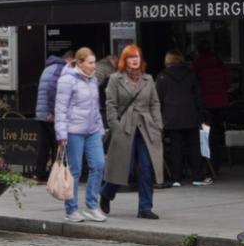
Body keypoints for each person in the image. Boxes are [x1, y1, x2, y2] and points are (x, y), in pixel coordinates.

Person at [104, 45, 164, 221]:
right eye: (131, 57)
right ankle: (106, 193)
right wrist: (115, 127)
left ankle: (145, 207)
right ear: (125, 60)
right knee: (125, 167)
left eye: (137, 56)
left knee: (146, 167)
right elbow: (111, 105)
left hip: (146, 127)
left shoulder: (148, 79)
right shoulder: (115, 79)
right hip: (125, 127)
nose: (135, 59)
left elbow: (155, 103)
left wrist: (158, 124)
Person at [52, 48, 106, 223]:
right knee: (74, 170)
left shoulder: (93, 80)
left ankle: (92, 205)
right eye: (90, 62)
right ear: (80, 63)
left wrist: (100, 128)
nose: (93, 66)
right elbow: (60, 108)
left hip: (92, 131)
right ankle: (71, 209)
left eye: (94, 62)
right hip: (74, 131)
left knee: (99, 164)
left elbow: (95, 107)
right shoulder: (67, 80)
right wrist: (61, 133)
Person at [157, 50, 205, 187]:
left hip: (171, 116)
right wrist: (201, 114)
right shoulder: (191, 75)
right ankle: (197, 176)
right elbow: (198, 97)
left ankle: (176, 178)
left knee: (175, 148)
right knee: (194, 147)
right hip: (191, 115)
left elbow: (158, 99)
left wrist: (159, 118)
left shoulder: (162, 76)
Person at [33, 49, 71, 183]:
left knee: (44, 145)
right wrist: (52, 111)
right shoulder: (60, 68)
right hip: (50, 114)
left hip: (41, 113)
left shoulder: (49, 67)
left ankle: (40, 173)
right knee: (56, 145)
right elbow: (53, 90)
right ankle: (56, 175)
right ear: (69, 59)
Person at [193, 45, 229, 179]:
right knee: (217, 137)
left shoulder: (198, 64)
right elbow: (227, 83)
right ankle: (216, 165)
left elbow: (195, 86)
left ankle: (207, 166)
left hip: (206, 106)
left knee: (205, 136)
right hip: (220, 104)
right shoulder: (220, 64)